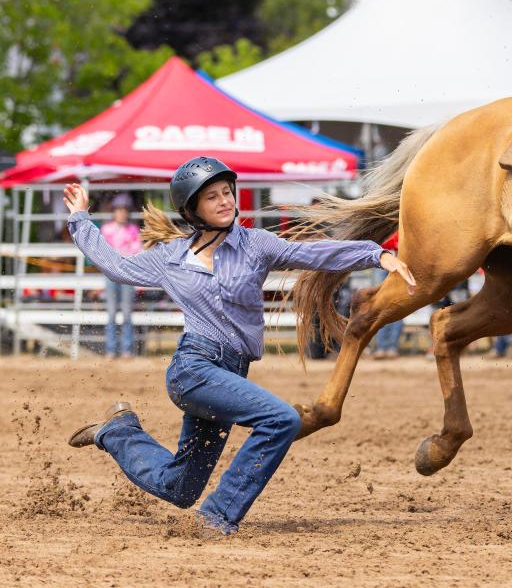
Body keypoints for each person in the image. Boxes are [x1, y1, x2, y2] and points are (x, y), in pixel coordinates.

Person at [62, 156, 415, 535]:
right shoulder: (170, 258)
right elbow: (115, 265)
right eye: (212, 197)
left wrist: (374, 254)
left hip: (230, 374)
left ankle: (117, 432)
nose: (225, 201)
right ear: (191, 209)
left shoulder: (255, 244)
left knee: (178, 487)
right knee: (281, 419)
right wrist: (81, 219)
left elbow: (313, 253)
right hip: (194, 370)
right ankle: (217, 516)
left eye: (227, 192)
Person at [100, 193, 141, 358]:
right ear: (114, 212)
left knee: (126, 313)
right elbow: (104, 252)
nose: (122, 213)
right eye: (119, 210)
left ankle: (126, 350)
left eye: (124, 210)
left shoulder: (132, 229)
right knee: (111, 313)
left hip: (125, 275)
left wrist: (119, 255)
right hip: (113, 274)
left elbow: (137, 250)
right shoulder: (107, 229)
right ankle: (111, 350)